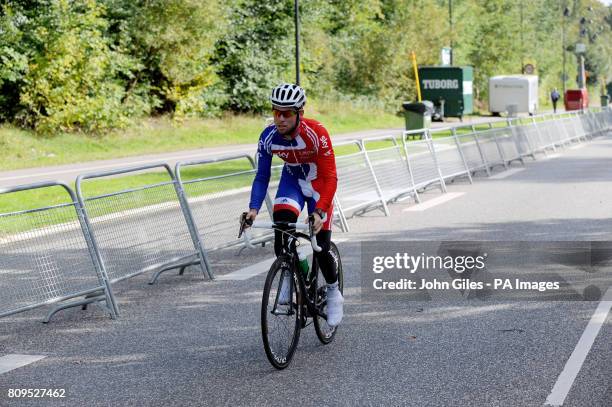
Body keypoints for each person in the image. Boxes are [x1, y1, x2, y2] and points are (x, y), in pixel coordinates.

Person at [244, 83, 343, 327]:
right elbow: (262, 177)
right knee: (282, 232)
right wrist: (253, 208)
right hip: (293, 182)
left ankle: (333, 292)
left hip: (319, 184)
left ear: (300, 112)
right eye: (276, 111)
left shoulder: (317, 133)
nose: (280, 118)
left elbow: (331, 177)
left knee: (321, 244)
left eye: (286, 113)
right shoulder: (268, 136)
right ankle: (291, 271)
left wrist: (319, 211)